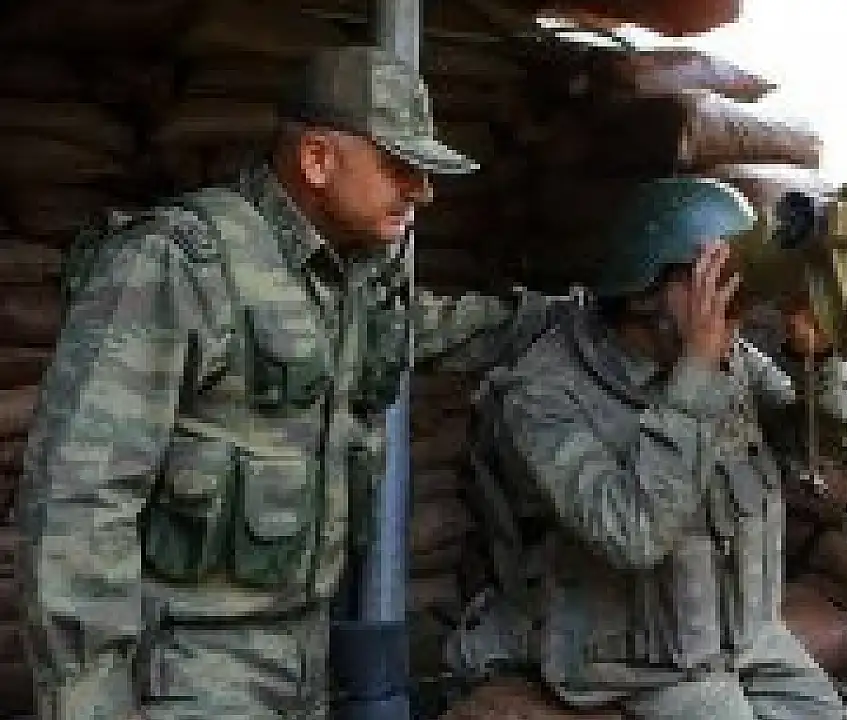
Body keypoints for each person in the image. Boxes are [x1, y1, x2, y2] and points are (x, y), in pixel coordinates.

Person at [16, 45, 558, 720]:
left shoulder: (350, 279)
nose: (422, 191)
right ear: (317, 160)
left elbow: (440, 331)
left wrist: (586, 315)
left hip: (303, 658)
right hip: (188, 668)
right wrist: (90, 701)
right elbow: (79, 497)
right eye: (399, 167)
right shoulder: (180, 265)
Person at [448, 177, 847, 720]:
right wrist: (696, 375)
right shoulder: (545, 394)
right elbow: (633, 535)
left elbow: (831, 444)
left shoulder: (733, 359)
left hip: (744, 638)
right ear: (645, 292)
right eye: (709, 276)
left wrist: (817, 360)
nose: (730, 299)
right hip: (638, 660)